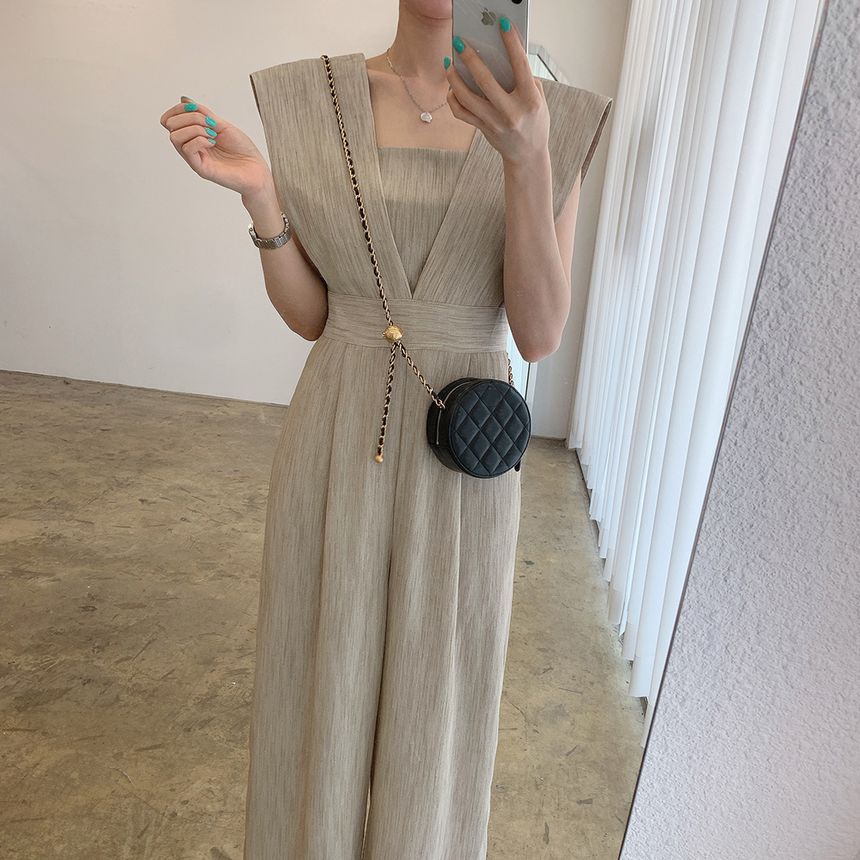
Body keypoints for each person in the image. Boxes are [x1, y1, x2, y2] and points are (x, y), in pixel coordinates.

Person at [160, 2, 611, 856]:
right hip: (335, 436)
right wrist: (262, 196)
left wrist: (527, 160)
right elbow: (317, 317)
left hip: (462, 463)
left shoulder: (553, 118)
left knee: (436, 714)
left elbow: (538, 333)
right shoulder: (308, 100)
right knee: (313, 693)